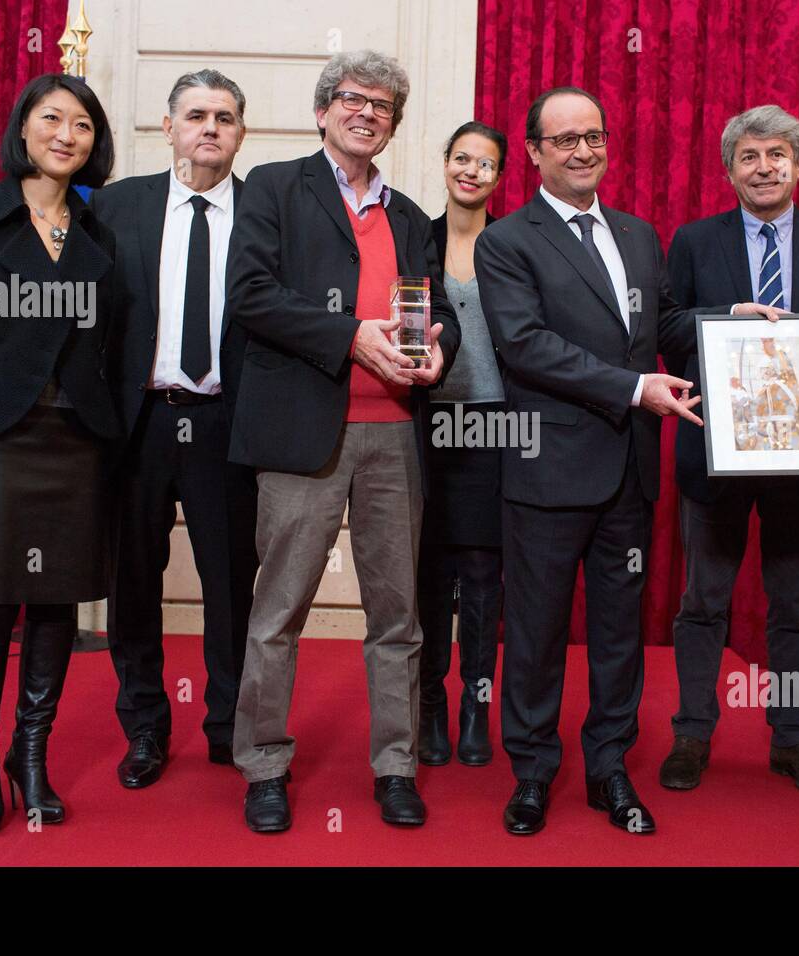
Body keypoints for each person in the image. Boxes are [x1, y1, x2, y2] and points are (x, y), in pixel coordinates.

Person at [225, 50, 460, 832]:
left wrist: (436, 353)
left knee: (398, 617)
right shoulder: (271, 188)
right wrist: (352, 337)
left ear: (393, 124)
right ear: (324, 110)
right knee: (278, 610)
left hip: (394, 436)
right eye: (353, 99)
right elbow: (252, 298)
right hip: (302, 436)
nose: (368, 112)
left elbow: (439, 314)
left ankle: (395, 765)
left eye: (384, 105)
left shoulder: (410, 215)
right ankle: (263, 764)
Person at [475, 86, 703, 836]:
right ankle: (533, 774)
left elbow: (656, 326)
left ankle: (609, 768)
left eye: (594, 137)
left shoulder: (639, 235)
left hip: (628, 476)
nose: (583, 151)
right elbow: (525, 344)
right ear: (534, 153)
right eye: (564, 139)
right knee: (536, 633)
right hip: (545, 471)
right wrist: (635, 389)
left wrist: (726, 323)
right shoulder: (505, 241)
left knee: (617, 634)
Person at [0, 73, 118, 832]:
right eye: (52, 119)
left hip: (75, 438)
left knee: (57, 600)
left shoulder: (101, 233)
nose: (66, 134)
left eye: (81, 124)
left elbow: (112, 342)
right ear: (24, 128)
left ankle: (28, 756)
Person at [660, 105, 799, 798]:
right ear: (729, 169)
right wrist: (729, 319)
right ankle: (692, 732)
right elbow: (666, 326)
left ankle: (794, 740)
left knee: (794, 606)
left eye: (778, 154)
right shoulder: (693, 239)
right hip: (715, 449)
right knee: (702, 602)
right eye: (750, 156)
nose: (765, 167)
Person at [90, 70, 259, 788]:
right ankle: (146, 729)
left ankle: (227, 725)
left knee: (231, 585)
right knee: (133, 583)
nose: (210, 127)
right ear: (168, 127)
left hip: (228, 423)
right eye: (196, 114)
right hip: (139, 423)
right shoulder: (117, 206)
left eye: (225, 116)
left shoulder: (265, 214)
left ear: (241, 132)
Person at [417, 121, 508, 768]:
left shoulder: (514, 246)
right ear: (445, 164)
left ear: (501, 176)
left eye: (486, 164)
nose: (472, 171)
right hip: (423, 423)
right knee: (426, 573)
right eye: (462, 158)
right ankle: (429, 709)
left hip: (494, 426)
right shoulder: (411, 237)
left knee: (482, 577)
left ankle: (477, 706)